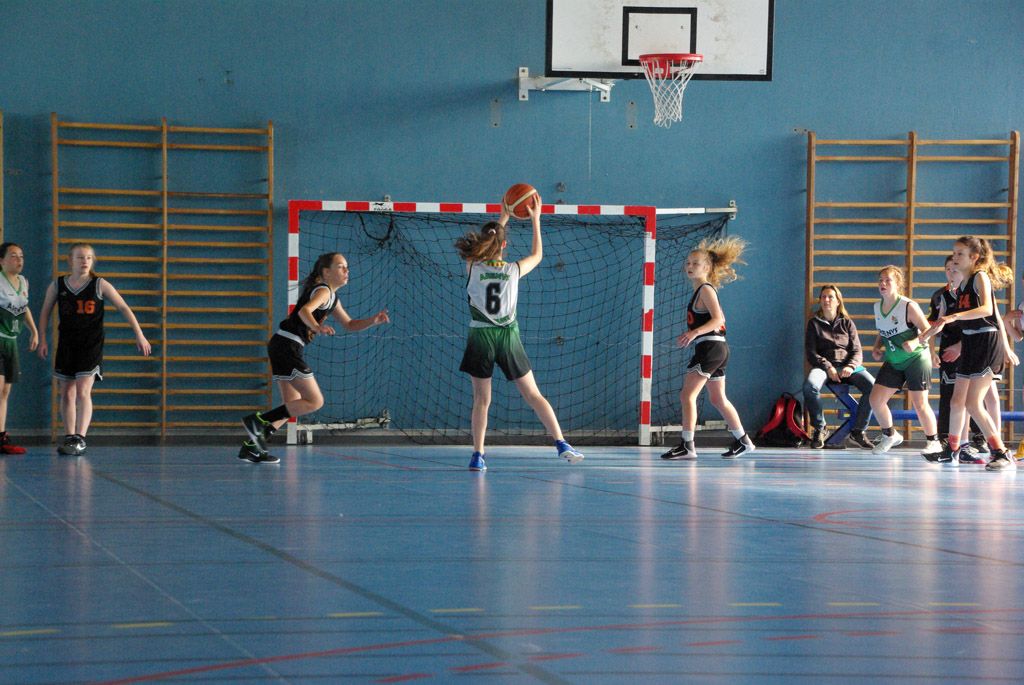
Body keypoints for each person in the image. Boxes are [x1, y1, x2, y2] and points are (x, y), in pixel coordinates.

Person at [455, 197, 583, 471]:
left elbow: (488, 242)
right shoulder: (513, 270)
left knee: (482, 400)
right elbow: (537, 254)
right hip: (507, 337)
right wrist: (535, 219)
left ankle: (478, 455)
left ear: (484, 242)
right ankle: (561, 443)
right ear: (504, 245)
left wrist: (503, 217)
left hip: (481, 337)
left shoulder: (473, 267)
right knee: (533, 395)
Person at [241, 252, 389, 463]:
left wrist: (372, 320)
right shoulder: (323, 291)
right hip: (288, 345)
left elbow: (349, 324)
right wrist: (317, 327)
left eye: (346, 266)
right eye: (341, 266)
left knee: (292, 404)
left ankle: (252, 447)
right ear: (326, 272)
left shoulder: (332, 298)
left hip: (282, 344)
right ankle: (259, 421)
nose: (346, 270)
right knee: (315, 401)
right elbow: (304, 311)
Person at [37, 243, 152, 456]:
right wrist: (42, 338)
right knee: (66, 392)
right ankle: (69, 436)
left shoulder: (99, 284)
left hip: (91, 345)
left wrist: (139, 333)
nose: (85, 261)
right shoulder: (58, 285)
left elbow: (123, 307)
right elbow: (45, 312)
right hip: (67, 344)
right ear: (70, 260)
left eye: (89, 258)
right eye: (80, 257)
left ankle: (80, 437)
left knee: (83, 390)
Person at [925, 237, 1018, 470]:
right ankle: (952, 451)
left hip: (986, 342)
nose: (955, 257)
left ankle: (1001, 452)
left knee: (974, 403)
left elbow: (987, 309)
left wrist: (954, 316)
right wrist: (923, 337)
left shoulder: (980, 277)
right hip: (970, 342)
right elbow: (941, 320)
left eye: (960, 254)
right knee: (957, 401)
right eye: (954, 253)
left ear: (974, 257)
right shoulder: (961, 285)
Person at [661, 235, 755, 461]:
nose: (690, 266)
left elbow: (719, 319)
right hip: (716, 349)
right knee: (717, 398)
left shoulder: (706, 289)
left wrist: (694, 332)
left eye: (696, 263)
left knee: (687, 395)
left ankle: (687, 445)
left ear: (707, 267)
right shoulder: (700, 291)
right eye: (688, 263)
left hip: (710, 348)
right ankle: (744, 441)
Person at [867, 265, 941, 456]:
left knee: (919, 403)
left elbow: (930, 329)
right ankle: (890, 435)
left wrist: (915, 341)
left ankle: (934, 441)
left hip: (916, 358)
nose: (883, 283)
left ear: (897, 283)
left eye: (888, 280)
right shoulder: (877, 307)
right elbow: (882, 330)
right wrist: (877, 346)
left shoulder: (908, 306)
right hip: (894, 360)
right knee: (875, 399)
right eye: (880, 280)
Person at [926, 256, 987, 463]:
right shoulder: (941, 296)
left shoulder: (973, 292)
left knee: (975, 400)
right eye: (948, 269)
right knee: (953, 398)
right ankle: (952, 444)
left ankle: (981, 442)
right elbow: (935, 325)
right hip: (948, 351)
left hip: (974, 348)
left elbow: (985, 320)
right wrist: (928, 348)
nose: (952, 272)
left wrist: (961, 347)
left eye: (955, 268)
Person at [803, 284, 874, 449]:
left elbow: (857, 351)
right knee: (809, 387)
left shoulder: (847, 323)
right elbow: (811, 353)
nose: (826, 300)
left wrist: (851, 366)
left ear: (838, 301)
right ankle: (820, 428)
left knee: (873, 387)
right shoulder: (814, 323)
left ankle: (858, 431)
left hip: (847, 366)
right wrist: (828, 367)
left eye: (830, 297)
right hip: (823, 367)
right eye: (823, 297)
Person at [0, 243, 38, 454]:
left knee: (5, 391)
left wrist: (34, 331)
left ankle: (1, 436)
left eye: (21, 256)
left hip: (11, 341)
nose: (19, 259)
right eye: (13, 256)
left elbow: (24, 306)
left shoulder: (23, 282)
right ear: (2, 261)